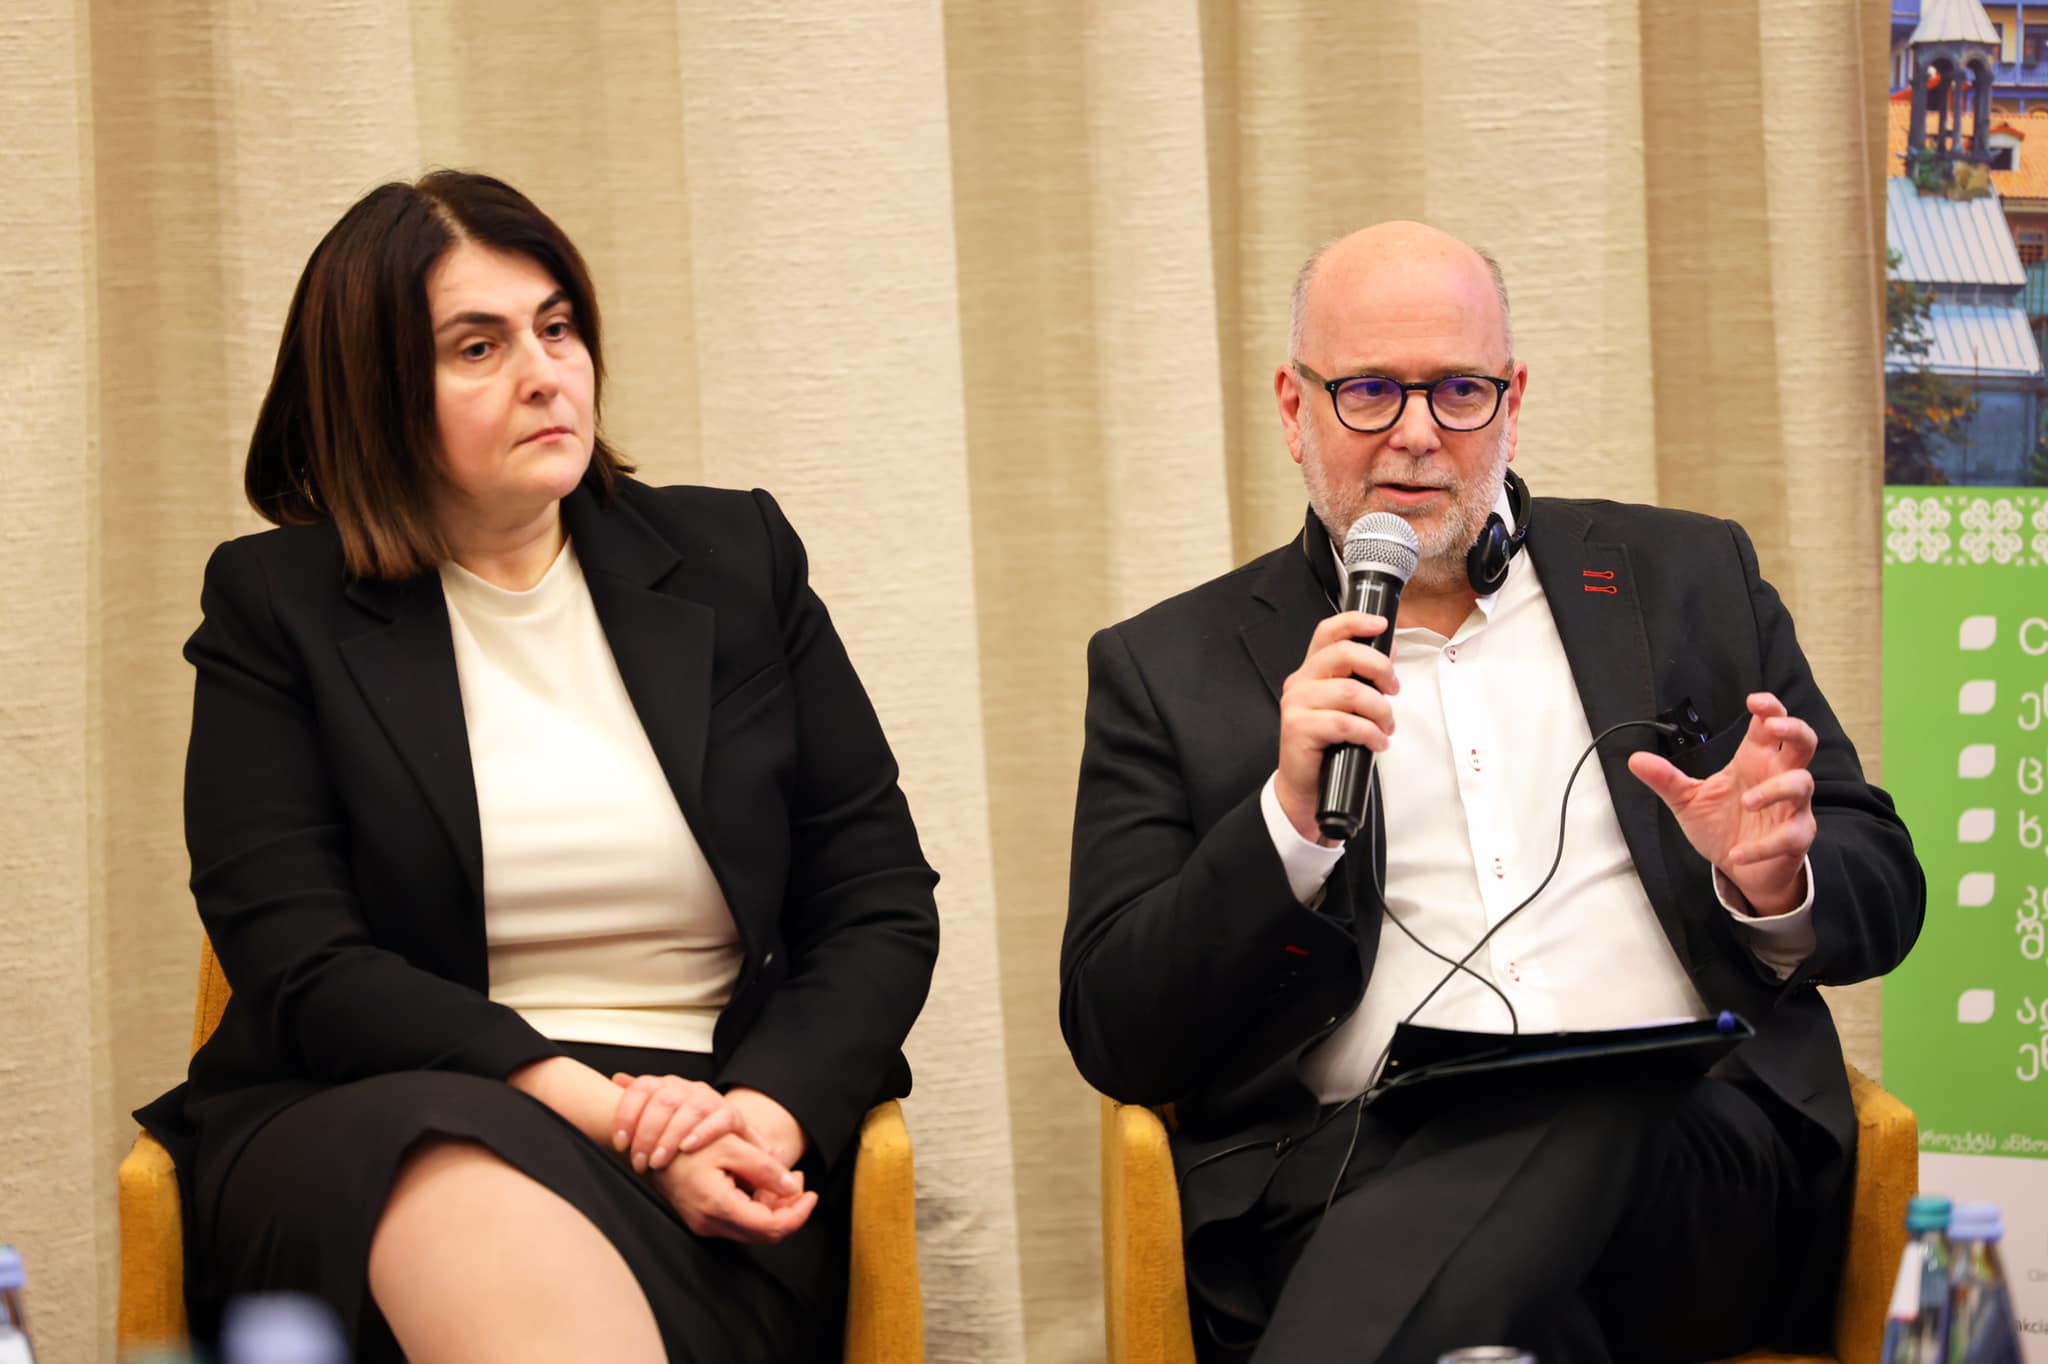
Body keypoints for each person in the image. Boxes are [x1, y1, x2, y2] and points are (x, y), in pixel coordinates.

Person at [1061, 221, 1924, 1362]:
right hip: (1346, 1171)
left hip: (1693, 1170)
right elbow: (1116, 1029)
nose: (1416, 434)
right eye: (1369, 390)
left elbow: (1883, 883)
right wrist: (1284, 826)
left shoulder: (1685, 578)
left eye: (1459, 390)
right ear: (1293, 407)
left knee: (1594, 1075)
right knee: (1518, 1316)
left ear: (1512, 399)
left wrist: (1769, 882)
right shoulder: (1167, 666)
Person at [134, 170, 940, 1364]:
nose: (544, 372)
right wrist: (612, 1116)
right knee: (458, 1173)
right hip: (380, 1110)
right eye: (478, 346)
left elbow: (876, 902)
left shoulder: (734, 560)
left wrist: (758, 1116)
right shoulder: (275, 606)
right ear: (372, 390)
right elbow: (302, 961)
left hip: (716, 1131)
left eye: (557, 328)